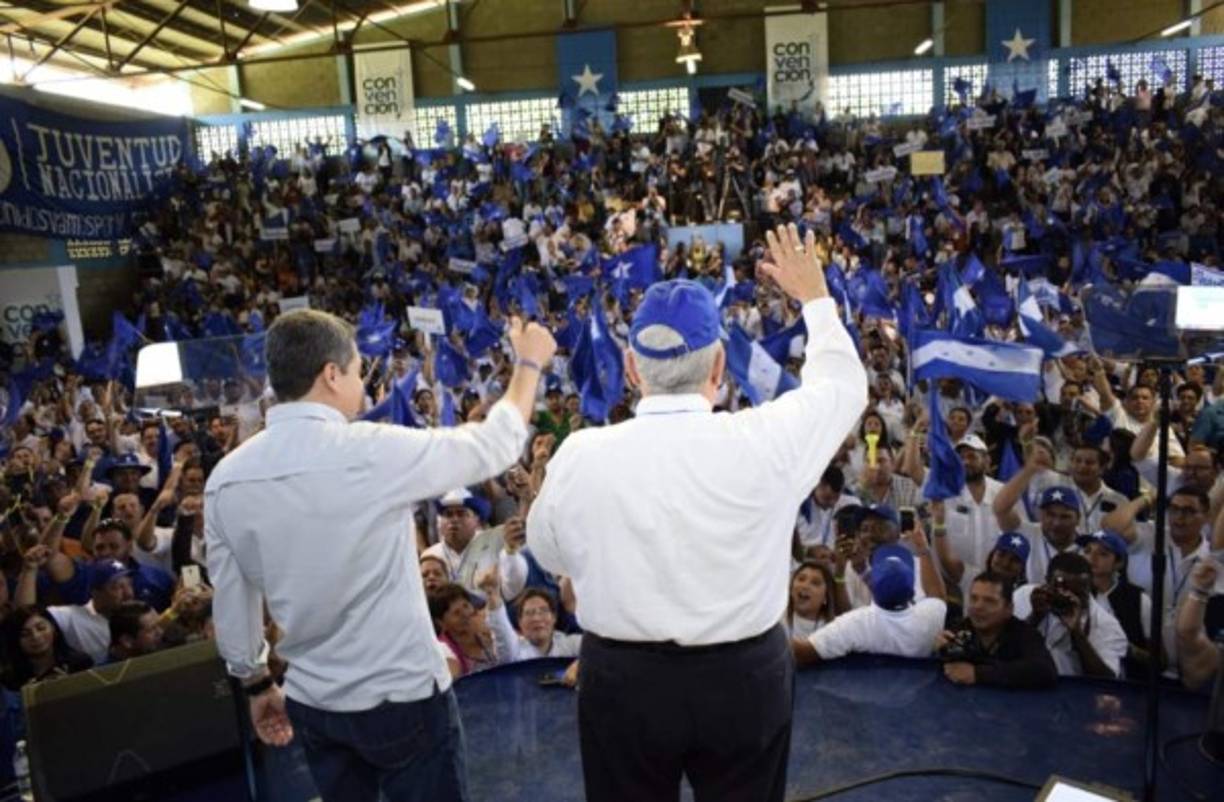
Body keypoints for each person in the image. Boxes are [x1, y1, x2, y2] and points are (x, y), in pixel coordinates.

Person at [526, 224, 868, 802]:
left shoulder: (580, 455)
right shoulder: (765, 441)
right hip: (744, 680)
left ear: (633, 369)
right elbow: (843, 385)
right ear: (718, 370)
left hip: (622, 682)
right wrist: (815, 297)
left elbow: (549, 552)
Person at [206, 308, 555, 802]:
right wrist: (529, 364)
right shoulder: (369, 450)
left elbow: (233, 602)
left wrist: (257, 684)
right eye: (354, 371)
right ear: (331, 374)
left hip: (314, 704)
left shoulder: (227, 479)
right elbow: (494, 445)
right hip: (402, 699)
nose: (360, 385)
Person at [792, 545, 946, 663]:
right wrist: (924, 550)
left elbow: (803, 652)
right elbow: (937, 595)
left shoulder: (856, 623)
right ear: (913, 593)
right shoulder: (931, 616)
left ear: (872, 590)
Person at [1013, 552, 1129, 678]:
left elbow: (1107, 680)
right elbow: (1003, 650)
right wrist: (1035, 617)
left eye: (1078, 594)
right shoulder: (1024, 596)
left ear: (1090, 586)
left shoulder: (1106, 624)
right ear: (1047, 581)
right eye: (1062, 591)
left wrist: (1077, 633)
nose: (1069, 598)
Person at [935, 572, 1058, 689]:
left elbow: (1045, 671)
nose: (978, 606)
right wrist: (941, 650)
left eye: (989, 601)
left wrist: (979, 674)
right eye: (973, 598)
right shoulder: (959, 630)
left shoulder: (1025, 634)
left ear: (1009, 608)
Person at [0, 606, 94, 690]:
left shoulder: (80, 664)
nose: (35, 636)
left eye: (41, 628)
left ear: (53, 629)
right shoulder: (10, 681)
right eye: (25, 634)